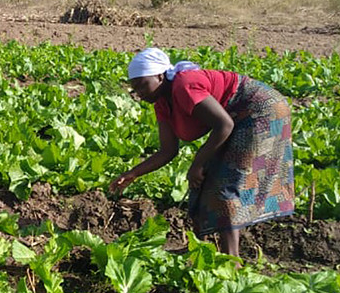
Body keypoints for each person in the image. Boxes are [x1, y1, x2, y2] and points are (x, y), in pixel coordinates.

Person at [109, 47, 294, 257]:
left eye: (143, 85)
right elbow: (168, 150)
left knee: (227, 183)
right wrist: (132, 173)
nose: (140, 93)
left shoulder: (184, 86)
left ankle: (230, 260)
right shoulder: (161, 103)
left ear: (160, 76)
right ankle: (198, 249)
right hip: (236, 118)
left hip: (261, 110)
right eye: (135, 89)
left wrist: (197, 164)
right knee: (205, 179)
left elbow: (224, 125)